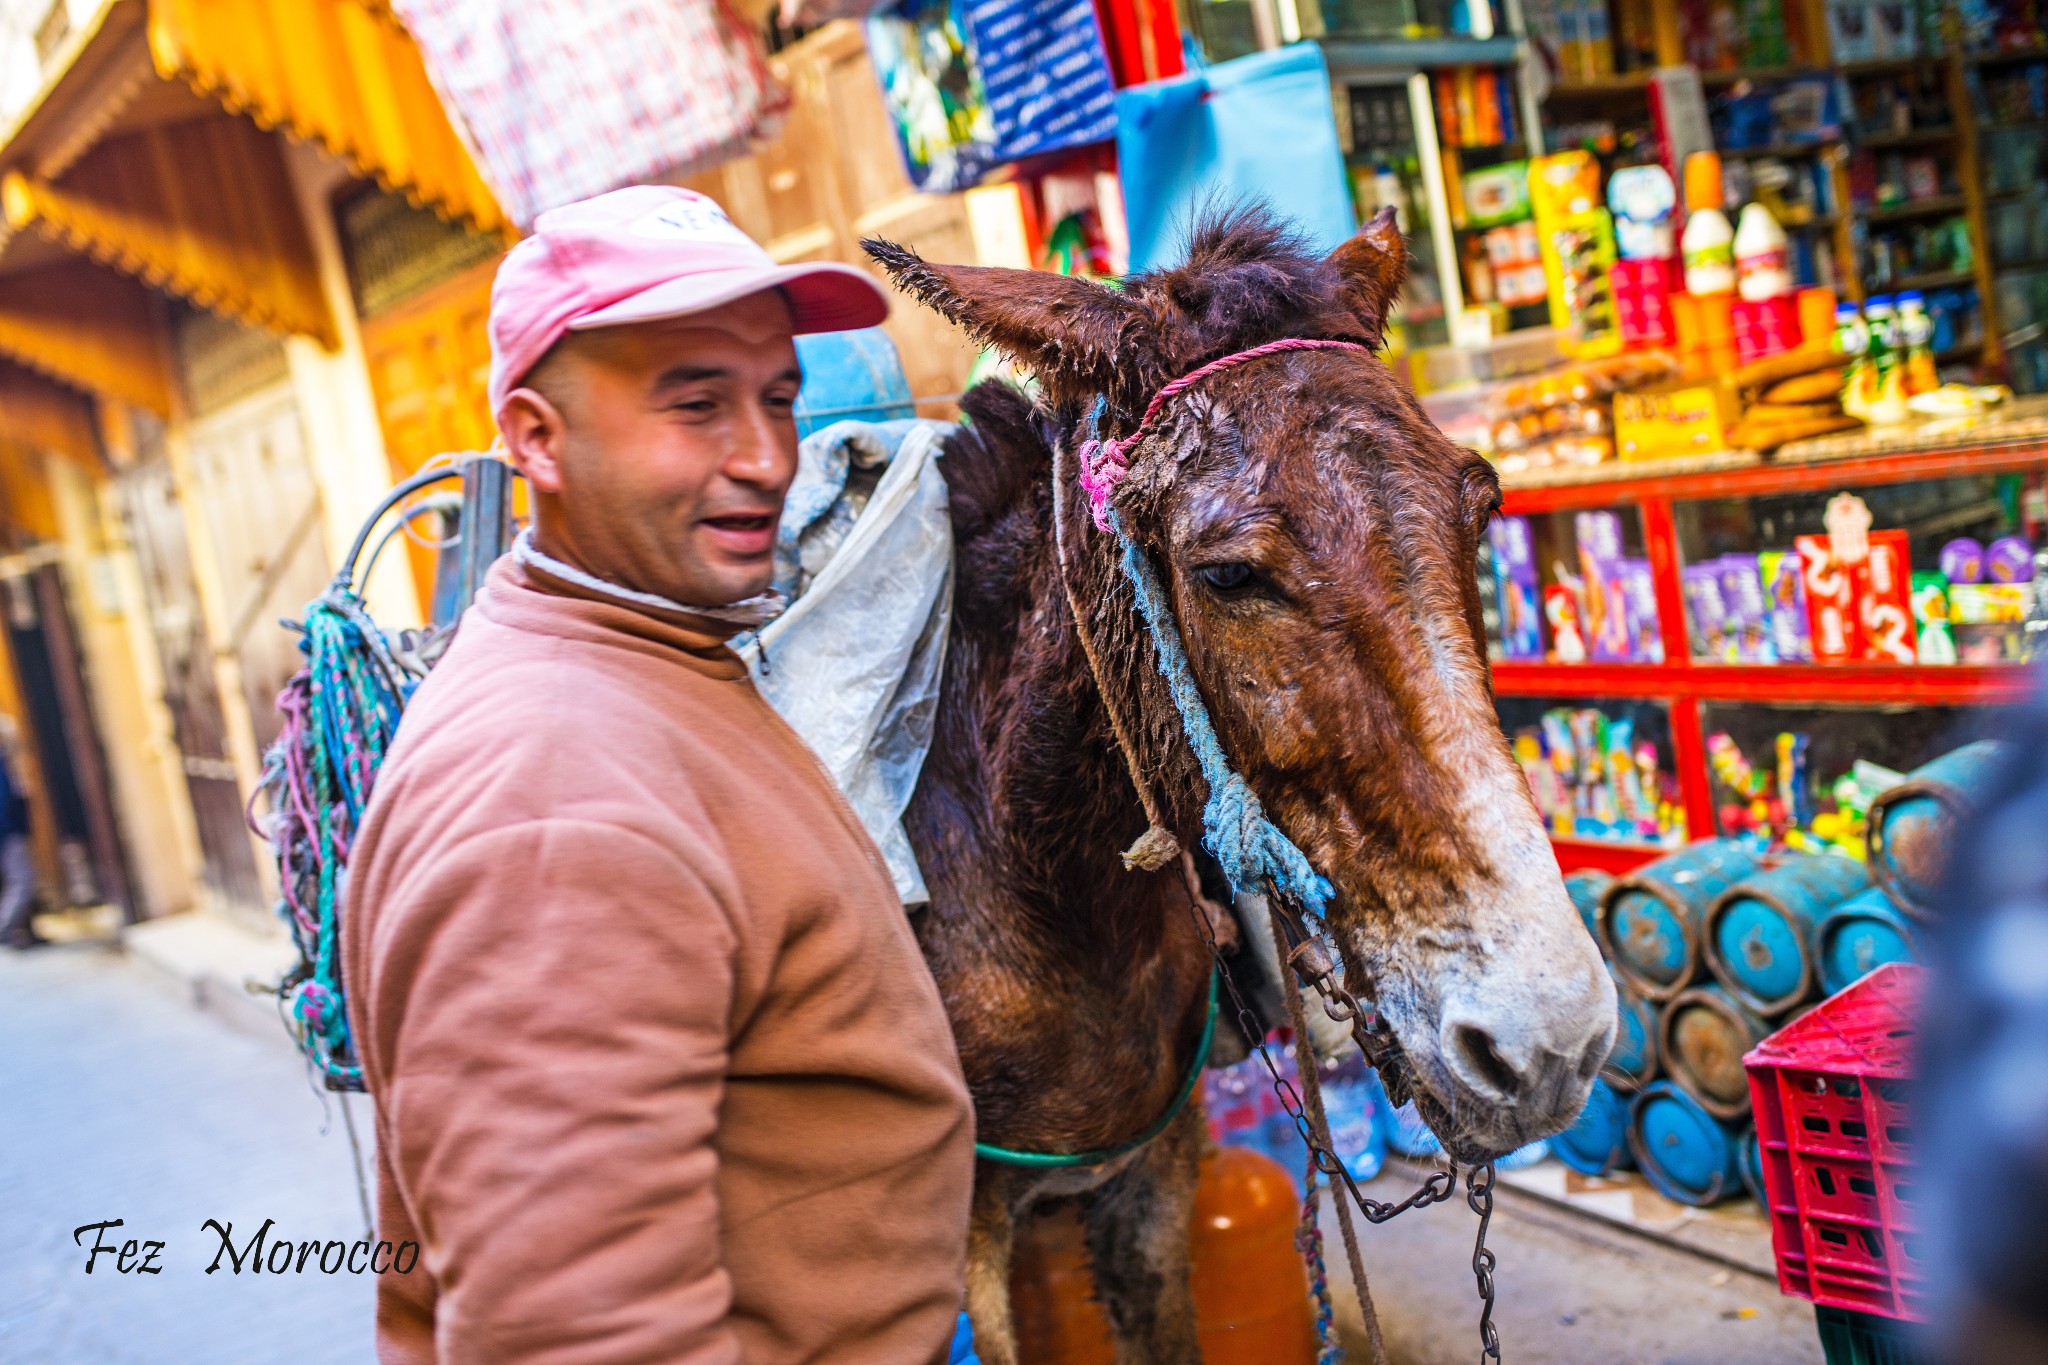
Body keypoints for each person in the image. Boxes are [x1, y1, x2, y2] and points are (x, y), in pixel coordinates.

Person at [341, 186, 975, 1364]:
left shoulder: (648, 657)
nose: (767, 457)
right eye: (695, 407)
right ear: (535, 438)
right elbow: (577, 1327)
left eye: (777, 399)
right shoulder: (555, 803)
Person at [0, 714, 37, 949]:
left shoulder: (7, 765)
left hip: (11, 831)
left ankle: (24, 931)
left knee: (22, 879)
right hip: (8, 833)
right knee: (23, 880)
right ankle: (5, 928)